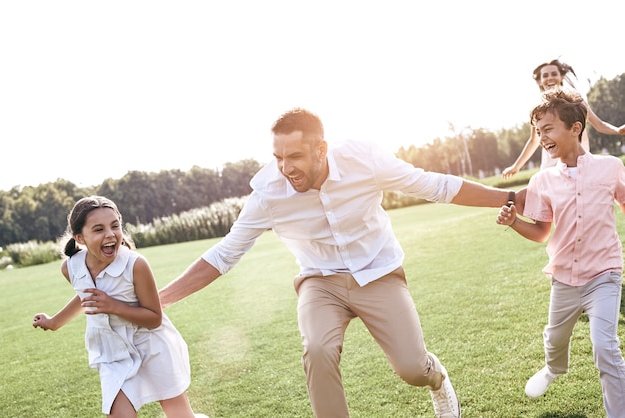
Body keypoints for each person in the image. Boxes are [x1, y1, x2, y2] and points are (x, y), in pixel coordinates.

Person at [159, 107, 523, 418]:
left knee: (412, 369)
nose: (285, 168)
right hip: (320, 282)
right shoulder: (268, 194)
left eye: (295, 157)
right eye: (278, 158)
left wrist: (511, 197)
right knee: (317, 349)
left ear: (321, 149)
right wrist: (160, 300)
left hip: (378, 273)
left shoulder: (362, 159)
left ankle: (436, 377)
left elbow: (436, 186)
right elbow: (224, 254)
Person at [496, 90, 625, 417]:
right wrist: (514, 223)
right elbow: (541, 232)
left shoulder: (610, 167)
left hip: (604, 275)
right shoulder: (542, 181)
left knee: (605, 347)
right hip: (564, 278)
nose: (542, 137)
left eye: (548, 129)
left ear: (576, 128)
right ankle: (553, 369)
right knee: (555, 338)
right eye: (538, 132)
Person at [32, 196, 208, 418]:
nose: (110, 234)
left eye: (115, 226)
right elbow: (86, 296)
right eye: (98, 229)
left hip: (153, 348)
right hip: (114, 354)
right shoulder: (71, 268)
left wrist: (113, 306)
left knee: (181, 416)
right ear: (80, 238)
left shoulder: (136, 264)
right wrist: (54, 321)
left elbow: (154, 318)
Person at [502, 58, 625, 178]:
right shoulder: (538, 109)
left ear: (561, 77)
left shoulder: (575, 102)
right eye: (545, 75)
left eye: (554, 74)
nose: (550, 78)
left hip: (577, 160)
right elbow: (533, 140)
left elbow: (599, 124)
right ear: (540, 81)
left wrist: (617, 130)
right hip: (552, 162)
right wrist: (516, 167)